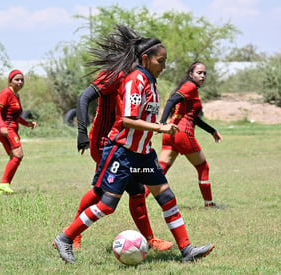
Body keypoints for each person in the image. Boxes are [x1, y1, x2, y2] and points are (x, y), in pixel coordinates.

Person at [53, 25, 215, 264]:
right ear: (146, 59)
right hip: (121, 153)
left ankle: (186, 249)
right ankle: (66, 238)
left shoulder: (151, 83)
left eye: (166, 61)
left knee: (166, 196)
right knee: (107, 203)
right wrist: (160, 127)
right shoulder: (134, 81)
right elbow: (127, 120)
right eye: (161, 61)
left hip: (144, 155)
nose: (164, 65)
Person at [72, 68, 173, 251]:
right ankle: (71, 235)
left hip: (124, 145)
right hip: (105, 142)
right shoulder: (113, 74)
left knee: (133, 190)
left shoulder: (138, 77)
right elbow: (83, 98)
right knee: (106, 191)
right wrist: (81, 133)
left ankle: (150, 240)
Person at [156, 62, 223, 207]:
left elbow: (194, 118)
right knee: (203, 167)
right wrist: (162, 123)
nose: (203, 76)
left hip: (171, 134)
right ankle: (209, 204)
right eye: (199, 73)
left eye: (205, 73)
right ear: (191, 74)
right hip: (182, 133)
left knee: (160, 171)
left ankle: (139, 198)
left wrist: (212, 131)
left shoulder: (188, 88)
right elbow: (171, 101)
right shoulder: (190, 86)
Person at [0, 70, 37, 194]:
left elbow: (15, 116)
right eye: (17, 79)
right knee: (18, 154)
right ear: (10, 81)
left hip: (11, 128)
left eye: (22, 80)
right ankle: (3, 183)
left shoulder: (16, 95)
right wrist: (2, 126)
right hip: (6, 129)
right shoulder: (6, 93)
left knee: (15, 156)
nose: (20, 82)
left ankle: (4, 188)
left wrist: (27, 123)